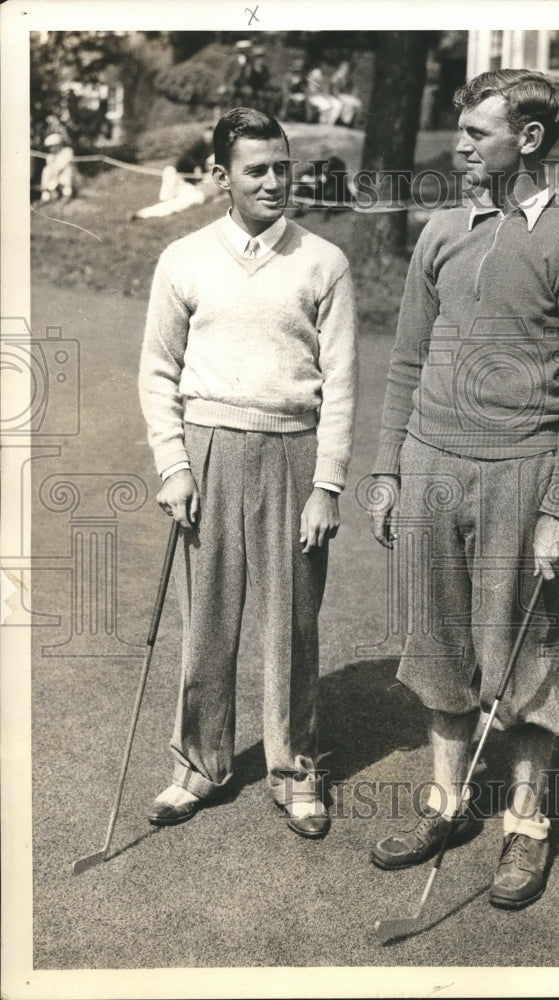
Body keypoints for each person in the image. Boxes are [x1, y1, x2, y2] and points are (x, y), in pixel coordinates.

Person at [368, 69, 559, 909]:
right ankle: (447, 805)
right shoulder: (442, 229)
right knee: (436, 644)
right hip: (430, 467)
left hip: (521, 471)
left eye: (477, 133)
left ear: (530, 139)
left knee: (526, 653)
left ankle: (525, 825)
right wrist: (386, 469)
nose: (460, 146)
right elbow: (405, 360)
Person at [139, 108, 358, 838]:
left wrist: (327, 483)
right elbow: (158, 371)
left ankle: (295, 771)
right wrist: (174, 465)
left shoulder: (324, 261)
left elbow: (342, 383)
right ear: (221, 177)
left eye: (281, 167)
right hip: (207, 454)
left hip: (293, 454)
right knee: (207, 623)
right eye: (255, 170)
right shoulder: (183, 259)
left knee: (292, 625)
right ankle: (198, 767)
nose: (272, 181)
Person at [133, 126, 222, 220]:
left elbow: (221, 192)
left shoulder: (218, 175)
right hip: (189, 186)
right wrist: (197, 168)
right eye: (209, 163)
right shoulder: (200, 147)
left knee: (176, 204)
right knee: (169, 170)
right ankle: (164, 200)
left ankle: (142, 214)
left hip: (196, 193)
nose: (210, 165)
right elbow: (185, 158)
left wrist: (215, 197)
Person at [39, 133, 75, 203]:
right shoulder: (50, 156)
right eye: (50, 147)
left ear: (59, 145)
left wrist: (55, 172)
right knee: (46, 170)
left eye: (53, 146)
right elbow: (51, 169)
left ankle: (67, 194)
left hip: (65, 176)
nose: (51, 149)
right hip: (55, 177)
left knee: (68, 169)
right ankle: (46, 195)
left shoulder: (67, 151)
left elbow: (62, 166)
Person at [330, 60, 363, 127]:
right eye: (344, 67)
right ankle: (345, 121)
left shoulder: (348, 78)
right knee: (349, 103)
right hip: (337, 96)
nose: (345, 69)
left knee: (358, 103)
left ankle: (354, 122)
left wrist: (353, 95)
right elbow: (334, 91)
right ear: (340, 67)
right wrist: (343, 98)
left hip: (346, 96)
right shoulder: (336, 77)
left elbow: (353, 89)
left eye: (347, 68)